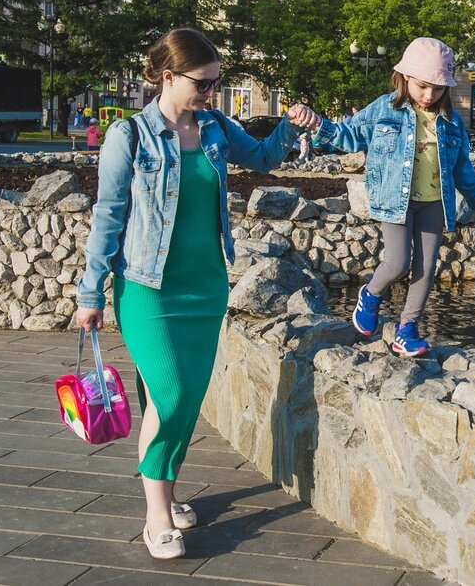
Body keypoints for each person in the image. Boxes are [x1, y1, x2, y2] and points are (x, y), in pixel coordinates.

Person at [74, 28, 318, 561]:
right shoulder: (129, 136)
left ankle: (167, 487)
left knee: (177, 399)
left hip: (205, 284)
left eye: (216, 83)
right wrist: (90, 291)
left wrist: (291, 126)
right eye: (204, 83)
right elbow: (109, 214)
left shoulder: (213, 127)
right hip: (146, 287)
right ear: (168, 77)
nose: (212, 92)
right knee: (173, 395)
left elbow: (262, 158)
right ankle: (156, 515)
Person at [307, 37, 475, 357]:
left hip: (434, 202)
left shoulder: (450, 121)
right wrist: (317, 125)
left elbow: (462, 166)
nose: (429, 95)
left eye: (437, 88)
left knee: (426, 267)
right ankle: (371, 294)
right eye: (422, 86)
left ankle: (407, 330)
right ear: (405, 77)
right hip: (395, 200)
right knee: (397, 261)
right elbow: (348, 136)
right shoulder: (385, 108)